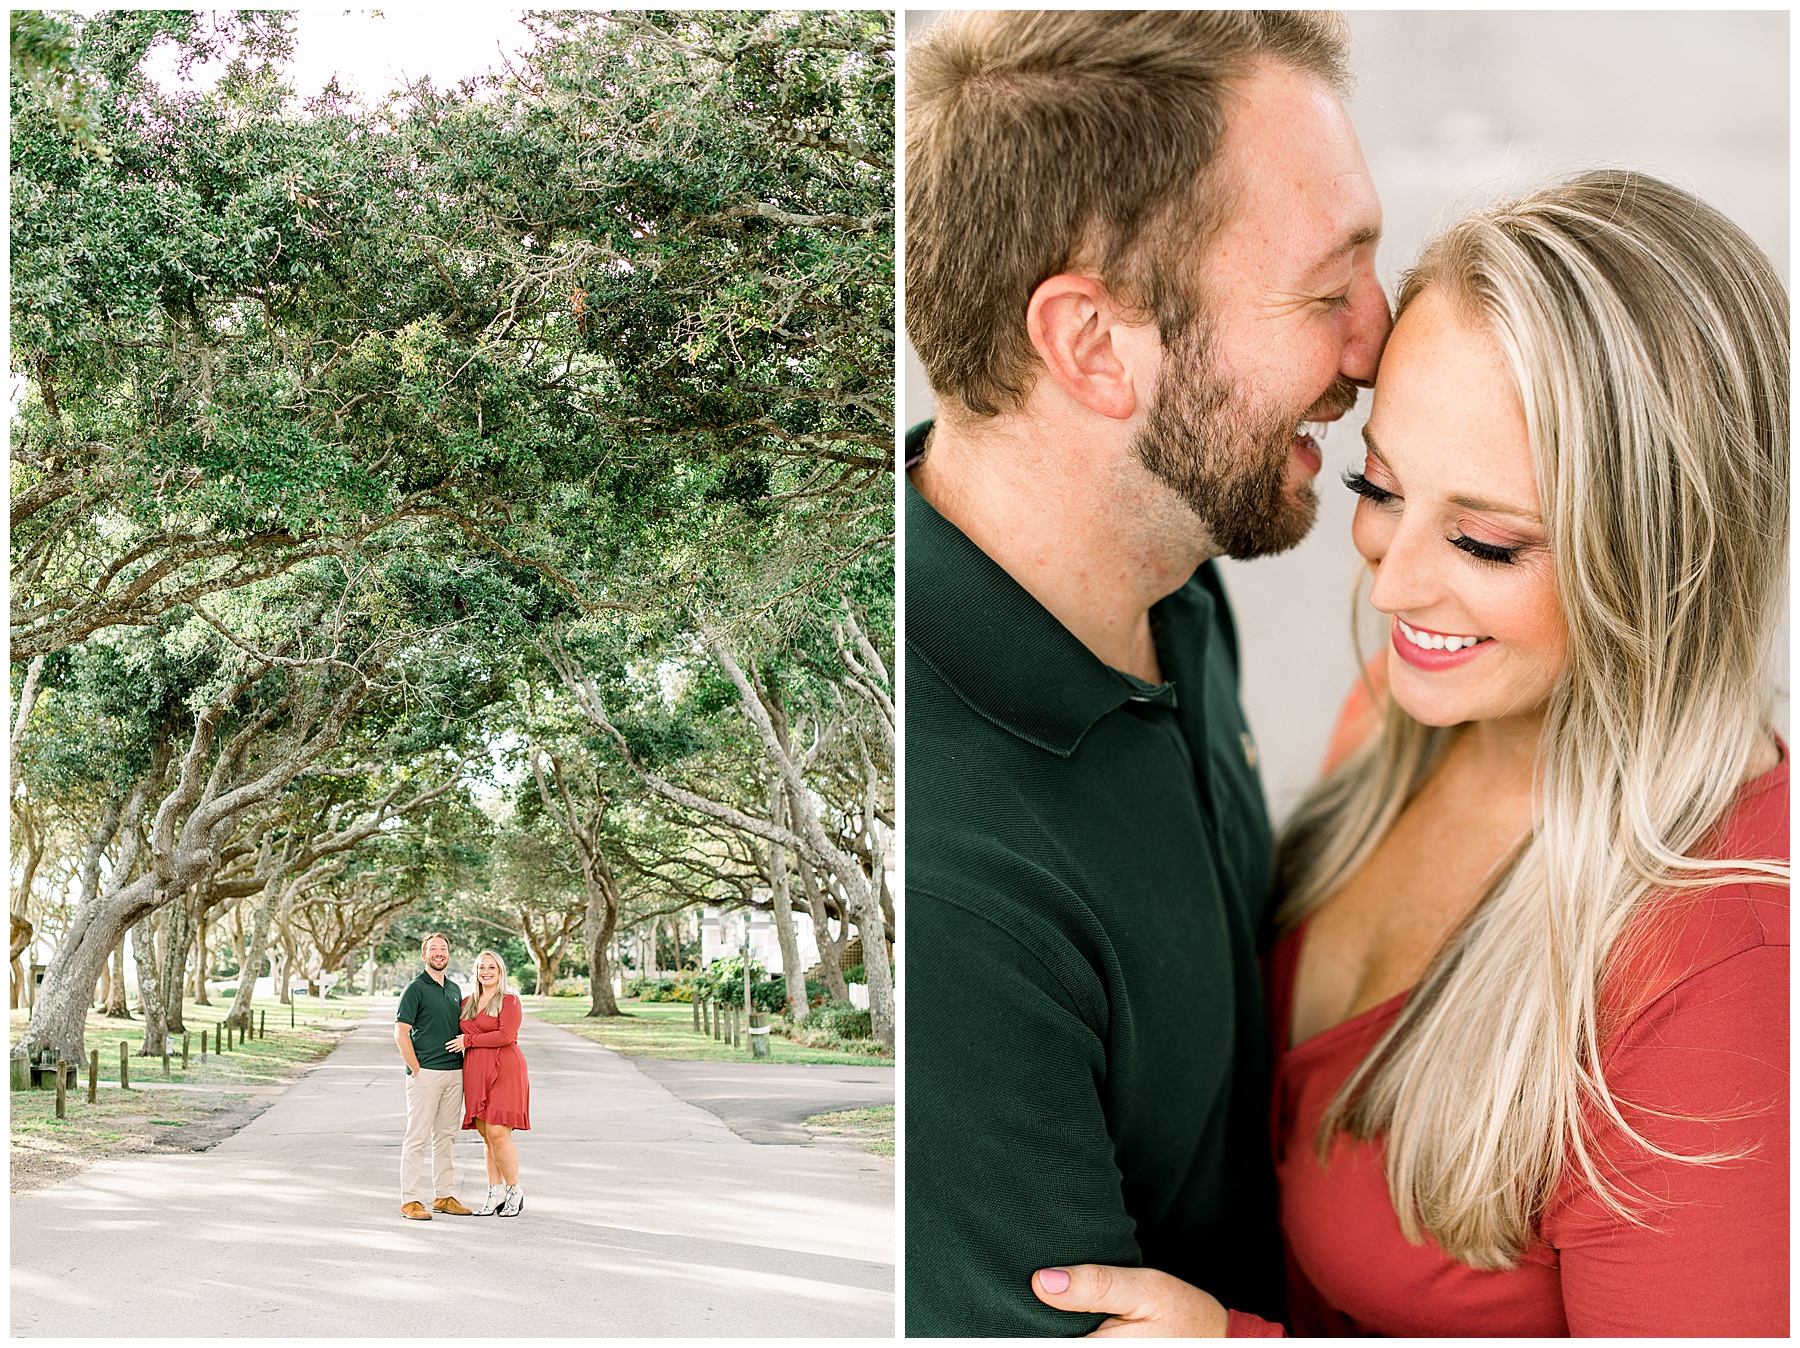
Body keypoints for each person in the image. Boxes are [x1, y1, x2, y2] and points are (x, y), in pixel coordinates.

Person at [1030, 171, 1789, 1335]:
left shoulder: (1730, 970)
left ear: (1667, 553)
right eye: (1377, 484)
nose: (1392, 578)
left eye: (1486, 541)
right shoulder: (1410, 705)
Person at [904, 11, 1390, 1335]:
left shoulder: (1174, 569)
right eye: (1326, 286)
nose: (1379, 342)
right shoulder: (949, 886)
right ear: (1096, 346)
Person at [395, 933, 473, 1219]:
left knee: (446, 1137)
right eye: (433, 949)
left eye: (443, 948)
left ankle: (444, 1195)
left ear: (449, 955)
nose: (439, 953)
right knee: (417, 1137)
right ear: (424, 955)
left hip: (455, 1073)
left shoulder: (454, 989)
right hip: (426, 1073)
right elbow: (400, 1033)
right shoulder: (415, 988)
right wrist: (416, 1069)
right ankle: (410, 1200)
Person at [448, 948, 531, 1217]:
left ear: (500, 971)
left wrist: (469, 1040)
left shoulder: (509, 1001)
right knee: (486, 1136)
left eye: (491, 967)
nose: (486, 972)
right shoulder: (467, 1002)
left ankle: (513, 1191)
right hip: (474, 1069)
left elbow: (506, 1035)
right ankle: (494, 1191)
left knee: (498, 1132)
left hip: (504, 1068)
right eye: (481, 967)